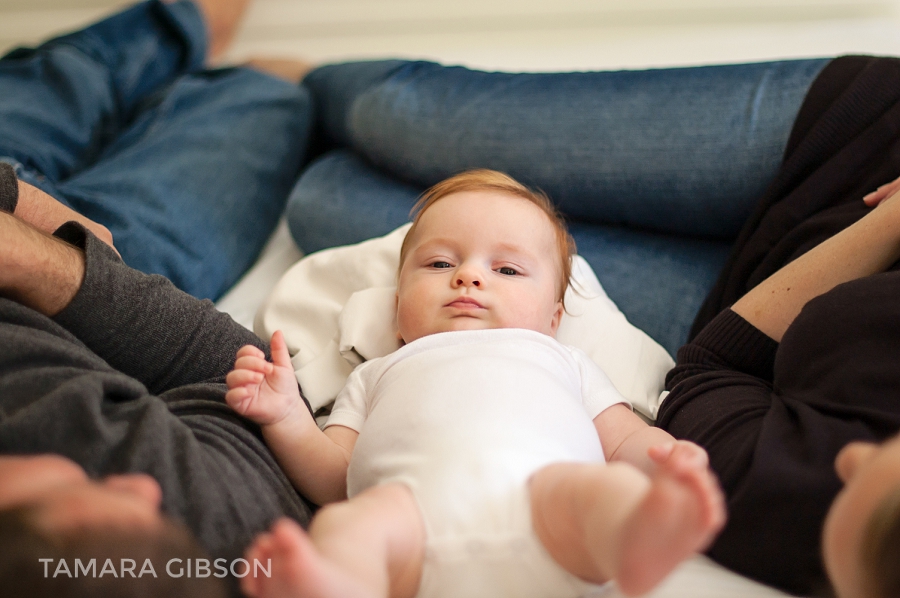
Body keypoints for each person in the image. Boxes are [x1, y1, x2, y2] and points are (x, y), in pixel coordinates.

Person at [225, 170, 726, 598]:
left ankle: (636, 533)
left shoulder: (563, 361)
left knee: (602, 490)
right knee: (344, 526)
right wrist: (288, 415)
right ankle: (340, 580)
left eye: (506, 268)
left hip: (548, 517)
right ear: (398, 307)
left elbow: (625, 440)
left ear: (553, 318)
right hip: (411, 530)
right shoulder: (375, 373)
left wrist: (666, 458)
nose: (468, 276)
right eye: (440, 263)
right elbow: (335, 476)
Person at [0, 0, 312, 300]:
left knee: (70, 70)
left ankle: (188, 28)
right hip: (76, 284)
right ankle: (207, 50)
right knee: (267, 93)